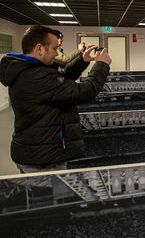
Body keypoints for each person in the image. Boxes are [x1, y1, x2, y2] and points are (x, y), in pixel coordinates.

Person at [0, 25, 112, 173]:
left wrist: (82, 60)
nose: (56, 54)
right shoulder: (36, 77)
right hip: (42, 159)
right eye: (54, 49)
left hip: (37, 151)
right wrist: (102, 65)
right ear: (39, 49)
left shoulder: (29, 70)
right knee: (49, 196)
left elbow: (60, 81)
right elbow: (85, 92)